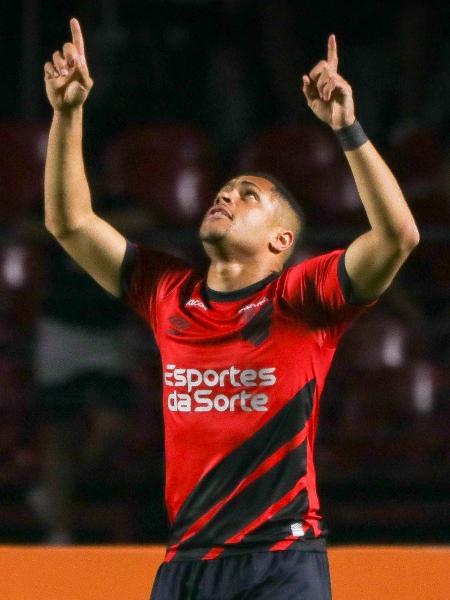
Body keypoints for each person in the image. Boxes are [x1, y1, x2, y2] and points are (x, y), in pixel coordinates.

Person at [43, 18, 419, 600]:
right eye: (227, 189)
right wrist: (67, 115)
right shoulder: (167, 290)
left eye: (252, 196)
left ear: (281, 243)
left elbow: (397, 237)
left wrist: (347, 129)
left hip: (282, 559)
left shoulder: (301, 299)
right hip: (187, 561)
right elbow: (69, 223)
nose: (227, 194)